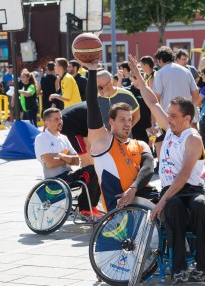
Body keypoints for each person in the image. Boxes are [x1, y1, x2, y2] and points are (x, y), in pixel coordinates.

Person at [128, 54, 205, 284]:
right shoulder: (170, 127)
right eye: (169, 114)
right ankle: (178, 268)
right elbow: (151, 102)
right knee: (173, 207)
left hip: (191, 189)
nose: (168, 119)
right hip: (171, 191)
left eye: (174, 116)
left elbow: (185, 175)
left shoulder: (192, 138)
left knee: (198, 207)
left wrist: (161, 200)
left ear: (187, 118)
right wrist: (138, 75)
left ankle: (202, 266)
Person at [83, 61, 156, 212]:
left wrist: (134, 188)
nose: (127, 124)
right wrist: (91, 69)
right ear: (111, 122)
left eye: (129, 120)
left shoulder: (140, 144)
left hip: (146, 198)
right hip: (122, 210)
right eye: (122, 120)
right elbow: (91, 103)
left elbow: (148, 167)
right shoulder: (104, 142)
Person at [34, 108, 101, 218]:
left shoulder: (63, 138)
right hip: (55, 179)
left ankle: (91, 205)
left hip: (68, 175)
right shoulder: (41, 138)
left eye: (61, 118)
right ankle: (84, 208)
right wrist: (67, 159)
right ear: (47, 122)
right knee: (91, 170)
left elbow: (76, 160)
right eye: (56, 119)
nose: (60, 121)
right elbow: (50, 163)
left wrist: (62, 156)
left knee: (96, 168)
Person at [153, 46, 199, 171]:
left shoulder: (160, 73)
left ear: (161, 59)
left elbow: (155, 99)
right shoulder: (186, 71)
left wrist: (153, 121)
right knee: (187, 144)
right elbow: (195, 94)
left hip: (170, 116)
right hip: (187, 115)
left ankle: (174, 172)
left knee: (171, 145)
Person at [60, 102, 93, 167]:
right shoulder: (101, 109)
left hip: (60, 120)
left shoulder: (92, 103)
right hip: (68, 125)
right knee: (86, 160)